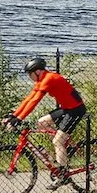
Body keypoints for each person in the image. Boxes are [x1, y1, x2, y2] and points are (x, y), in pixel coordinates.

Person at [11, 57, 89, 186]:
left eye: (30, 74)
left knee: (57, 140)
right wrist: (14, 115)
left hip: (76, 110)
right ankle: (62, 150)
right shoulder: (42, 80)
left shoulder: (49, 79)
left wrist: (19, 118)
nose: (29, 77)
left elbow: (35, 101)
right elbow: (29, 99)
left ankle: (63, 174)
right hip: (66, 108)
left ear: (37, 72)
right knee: (41, 123)